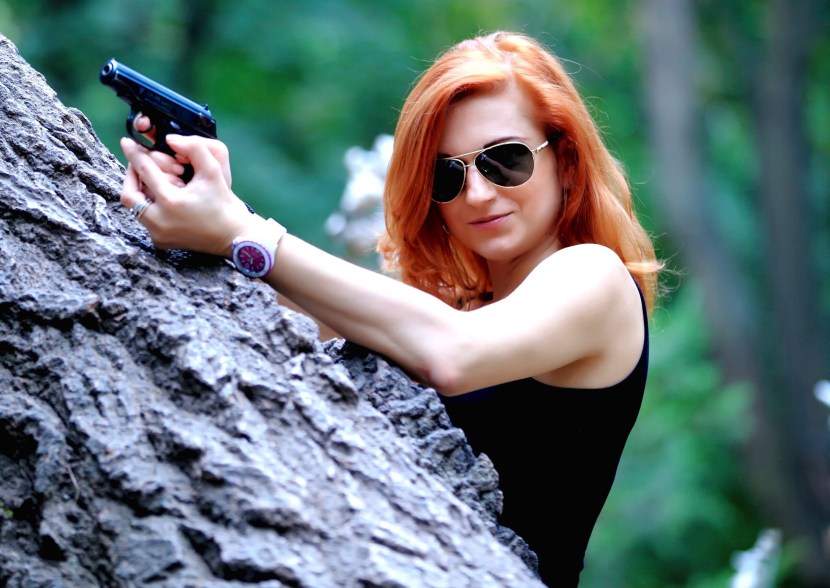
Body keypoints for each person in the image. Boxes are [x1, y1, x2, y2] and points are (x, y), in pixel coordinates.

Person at [119, 31, 661, 587]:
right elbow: (295, 303)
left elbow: (451, 355)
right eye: (447, 175)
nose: (477, 194)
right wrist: (208, 205)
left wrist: (242, 231)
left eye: (505, 160)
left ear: (565, 162)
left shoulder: (595, 276)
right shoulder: (456, 308)